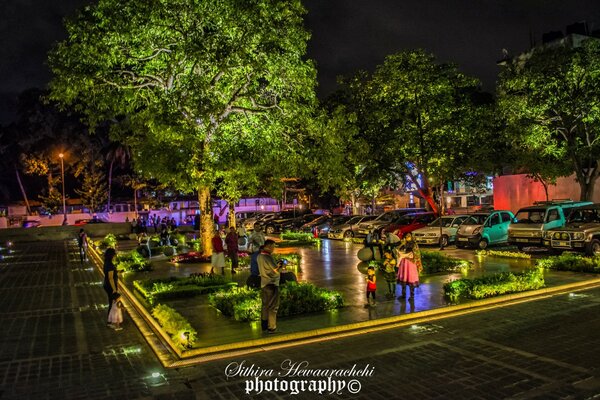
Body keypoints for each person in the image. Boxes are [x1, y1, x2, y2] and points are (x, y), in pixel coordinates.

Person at [257, 239, 282, 333]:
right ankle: (271, 327)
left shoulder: (259, 256)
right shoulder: (268, 257)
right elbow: (275, 270)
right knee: (273, 307)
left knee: (265, 306)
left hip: (264, 283)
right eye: (273, 246)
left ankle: (264, 326)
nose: (274, 249)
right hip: (272, 284)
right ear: (269, 246)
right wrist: (280, 265)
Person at [396, 233, 422, 300]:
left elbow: (416, 254)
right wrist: (402, 244)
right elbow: (398, 250)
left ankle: (412, 296)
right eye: (406, 236)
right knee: (403, 278)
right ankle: (403, 294)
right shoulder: (404, 244)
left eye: (409, 236)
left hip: (410, 264)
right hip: (404, 263)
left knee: (411, 279)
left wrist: (408, 255)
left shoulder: (414, 245)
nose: (407, 237)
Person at [102, 248, 119, 327]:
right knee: (112, 304)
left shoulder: (106, 263)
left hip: (107, 284)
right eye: (114, 254)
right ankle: (110, 322)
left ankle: (112, 320)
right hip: (110, 286)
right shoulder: (110, 265)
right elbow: (110, 278)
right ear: (112, 255)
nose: (115, 256)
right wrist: (114, 290)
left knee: (112, 303)